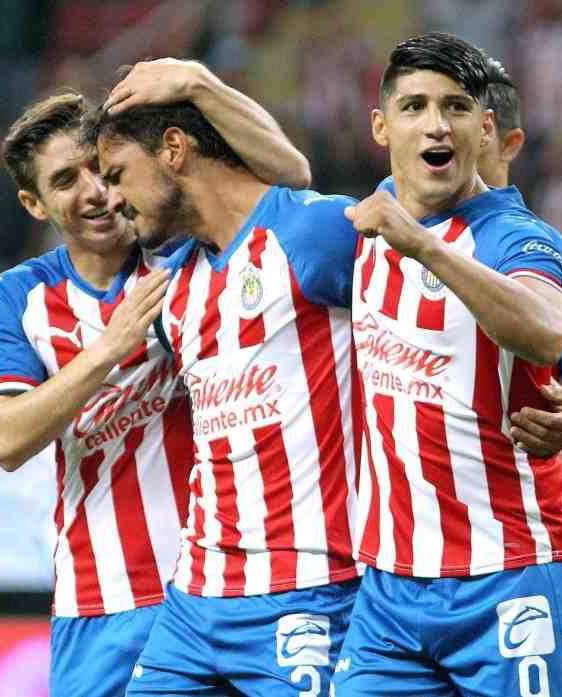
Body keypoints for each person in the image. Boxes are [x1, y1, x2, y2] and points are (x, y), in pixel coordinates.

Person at [0, 59, 310, 697]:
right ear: (33, 202)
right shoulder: (21, 297)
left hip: (217, 591)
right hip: (97, 606)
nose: (95, 193)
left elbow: (289, 179)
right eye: (65, 180)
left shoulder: (186, 252)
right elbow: (5, 439)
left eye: (100, 170)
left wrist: (198, 84)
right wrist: (110, 347)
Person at [88, 68, 366, 696]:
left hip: (311, 591)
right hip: (194, 598)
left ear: (176, 150)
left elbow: (437, 307)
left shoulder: (314, 234)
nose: (111, 199)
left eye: (117, 175)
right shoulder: (173, 290)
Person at [335, 33, 562, 696]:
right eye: (415, 106)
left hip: (509, 574)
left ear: (483, 129)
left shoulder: (514, 236)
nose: (436, 123)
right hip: (388, 591)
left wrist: (423, 246)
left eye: (453, 106)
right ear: (381, 126)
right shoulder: (361, 227)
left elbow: (546, 329)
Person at [373, 54, 562, 476]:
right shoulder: (378, 235)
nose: (441, 136)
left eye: (461, 116)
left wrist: (505, 465)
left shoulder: (560, 261)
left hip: (499, 528)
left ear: (499, 139)